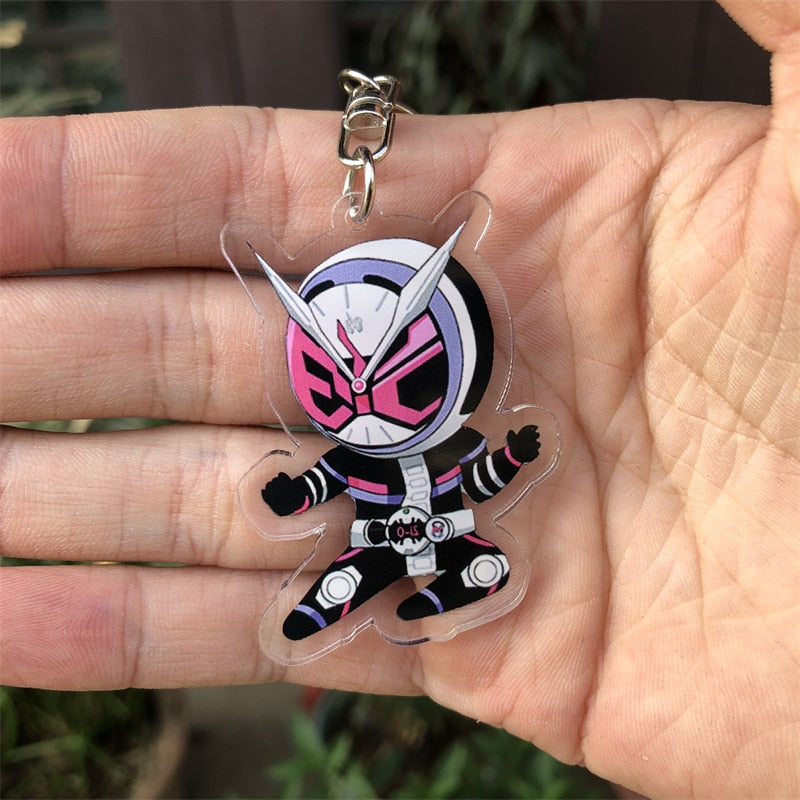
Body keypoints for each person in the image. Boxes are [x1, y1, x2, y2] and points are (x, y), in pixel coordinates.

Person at [0, 1, 797, 796]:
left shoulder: (454, 438)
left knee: (486, 567)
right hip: (376, 541)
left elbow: (479, 480)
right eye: (341, 380)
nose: (362, 397)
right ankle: (336, 601)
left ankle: (435, 594)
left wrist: (510, 457)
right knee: (339, 585)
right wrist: (293, 493)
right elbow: (324, 479)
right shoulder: (354, 456)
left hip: (451, 535)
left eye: (392, 378)